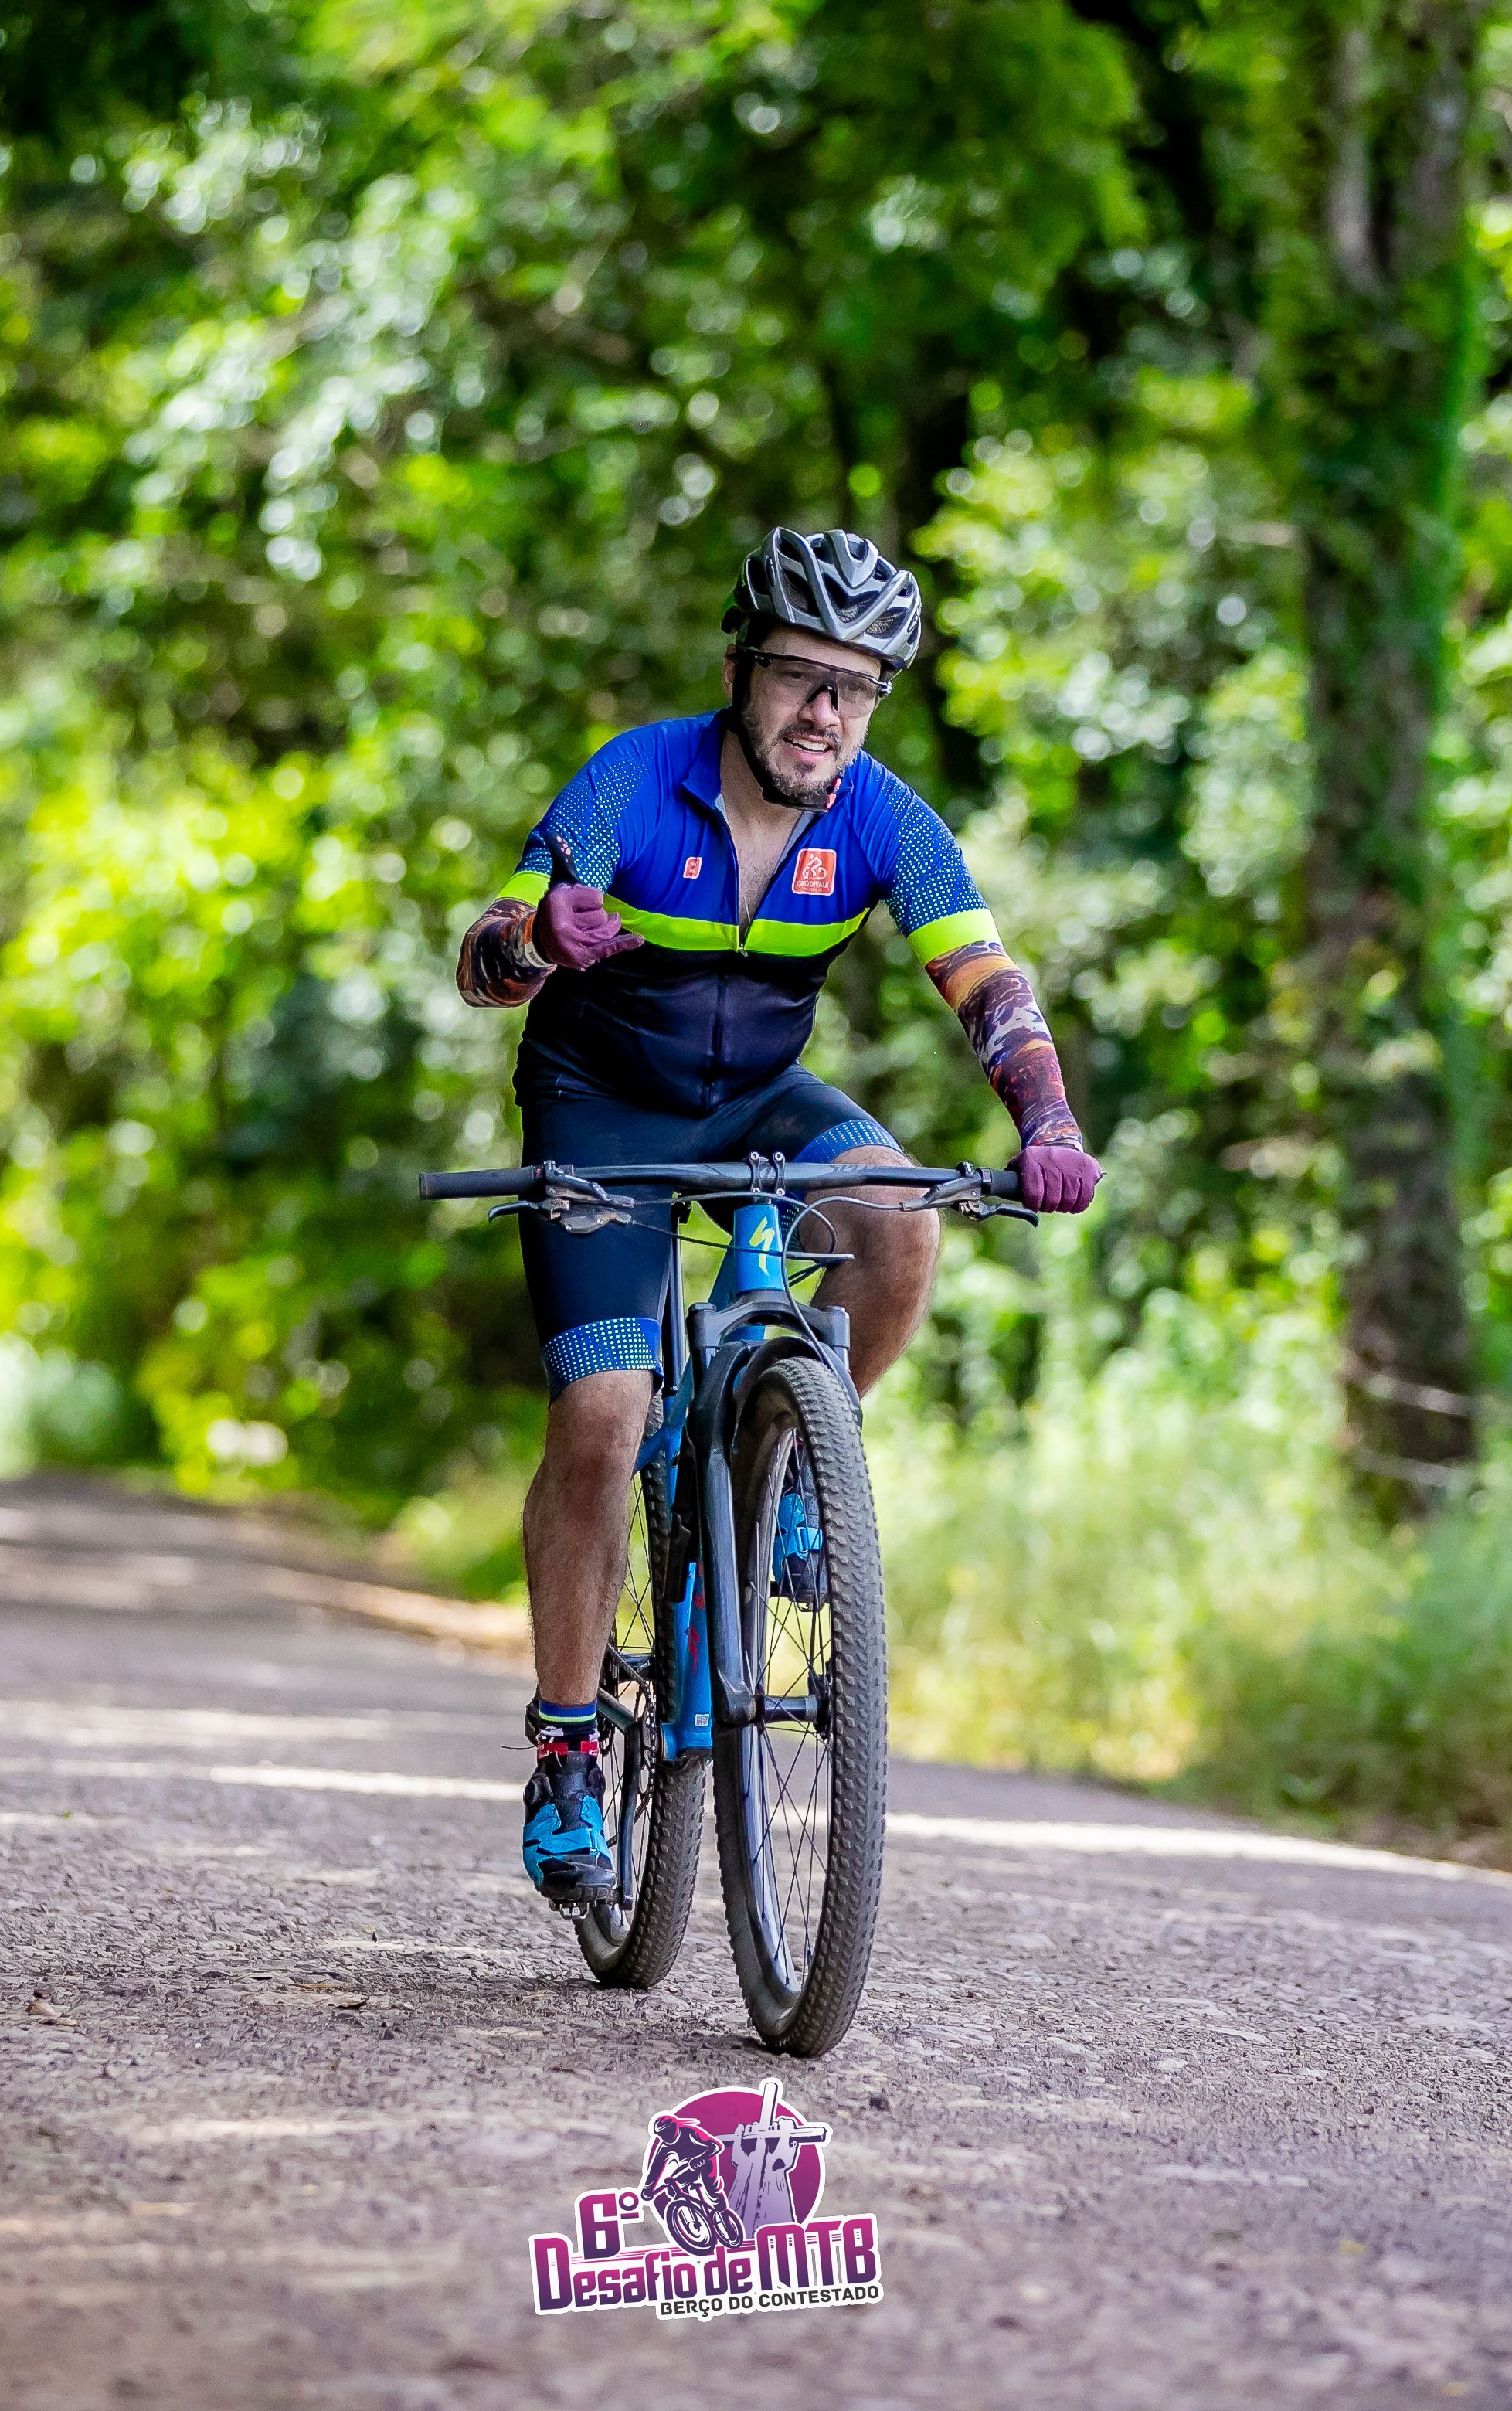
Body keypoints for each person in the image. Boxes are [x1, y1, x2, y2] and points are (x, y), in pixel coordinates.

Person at [453, 526, 1102, 1909]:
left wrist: (1047, 1121)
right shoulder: (634, 782)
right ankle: (568, 1749)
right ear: (740, 672)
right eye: (802, 677)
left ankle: (791, 1462)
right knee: (604, 1413)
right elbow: (484, 956)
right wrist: (539, 940)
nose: (825, 712)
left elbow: (990, 984)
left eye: (855, 689)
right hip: (601, 1108)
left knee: (902, 1213)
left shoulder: (882, 818)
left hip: (757, 1099)